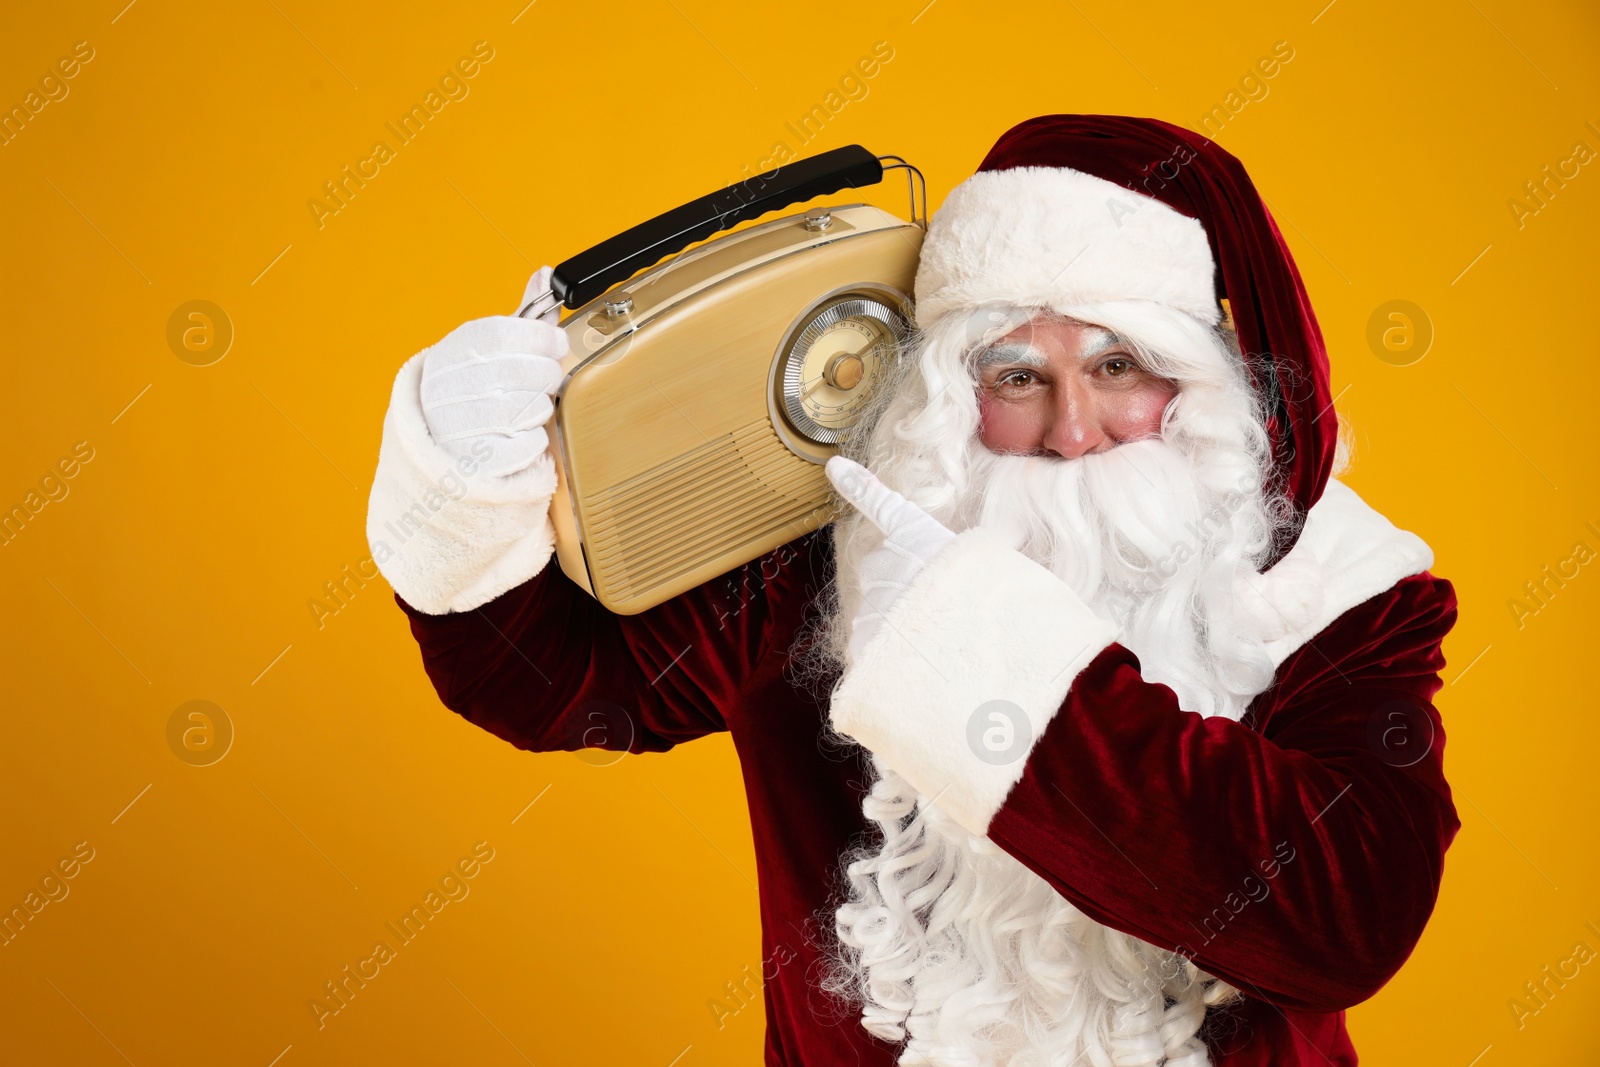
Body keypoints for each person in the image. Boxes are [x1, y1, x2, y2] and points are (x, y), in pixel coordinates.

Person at [364, 115, 1459, 1066]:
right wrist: (462, 485)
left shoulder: (1339, 596)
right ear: (950, 391)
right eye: (1017, 376)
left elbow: (1342, 918)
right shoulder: (825, 561)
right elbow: (550, 683)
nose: (1073, 433)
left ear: (1201, 372)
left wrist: (974, 653)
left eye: (1118, 365)